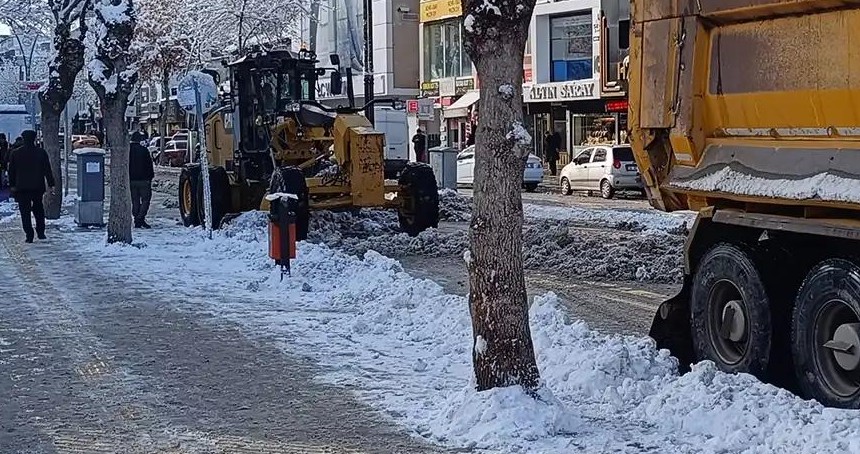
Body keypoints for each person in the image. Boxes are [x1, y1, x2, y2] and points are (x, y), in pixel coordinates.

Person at [8, 130, 55, 243]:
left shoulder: (15, 153)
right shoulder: (41, 152)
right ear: (34, 139)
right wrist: (51, 183)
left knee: (25, 212)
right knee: (39, 209)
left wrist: (12, 185)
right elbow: (47, 169)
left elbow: (11, 172)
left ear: (23, 139)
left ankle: (29, 234)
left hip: (21, 187)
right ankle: (41, 232)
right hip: (37, 186)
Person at [129, 131, 154, 229]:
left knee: (135, 200)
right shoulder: (144, 150)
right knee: (145, 200)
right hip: (144, 180)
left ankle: (136, 218)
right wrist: (150, 177)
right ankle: (140, 218)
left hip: (131, 180)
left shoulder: (127, 151)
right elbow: (149, 165)